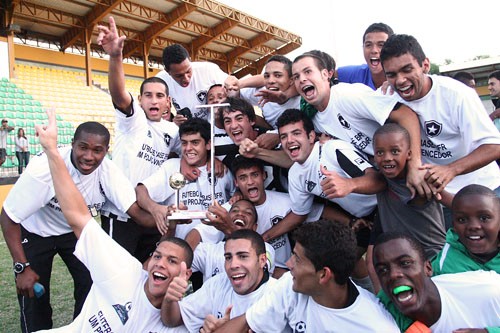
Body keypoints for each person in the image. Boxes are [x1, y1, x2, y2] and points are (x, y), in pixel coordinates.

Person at [31, 110, 190, 332]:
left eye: (172, 261)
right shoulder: (124, 271)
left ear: (187, 275)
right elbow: (78, 217)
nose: (160, 263)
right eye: (157, 256)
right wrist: (52, 152)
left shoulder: (176, 326)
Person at [0, 120, 154, 333]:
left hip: (72, 233)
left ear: (106, 151)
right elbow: (8, 216)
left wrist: (167, 215)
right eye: (83, 147)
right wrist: (21, 267)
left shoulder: (108, 172)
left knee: (92, 282)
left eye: (97, 150)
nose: (89, 156)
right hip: (35, 231)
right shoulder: (43, 169)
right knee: (33, 298)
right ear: (72, 144)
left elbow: (136, 213)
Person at [380, 34, 500, 227]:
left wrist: (451, 169)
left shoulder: (457, 95)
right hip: (438, 199)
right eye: (392, 74)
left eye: (407, 69)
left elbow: (494, 146)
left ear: (425, 65)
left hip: (483, 191)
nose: (400, 80)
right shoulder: (386, 100)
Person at [216, 220, 400, 332]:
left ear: (323, 275)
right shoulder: (291, 285)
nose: (288, 265)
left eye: (297, 259)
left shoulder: (376, 327)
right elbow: (247, 321)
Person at [97, 17, 181, 262]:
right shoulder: (132, 120)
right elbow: (119, 93)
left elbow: (187, 156)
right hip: (121, 216)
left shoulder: (172, 132)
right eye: (148, 96)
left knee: (147, 277)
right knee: (116, 278)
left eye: (159, 96)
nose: (154, 101)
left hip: (153, 217)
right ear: (140, 100)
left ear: (168, 102)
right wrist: (115, 57)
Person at [291, 52, 429, 199]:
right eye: (296, 77)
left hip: (419, 164)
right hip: (386, 176)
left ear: (325, 74)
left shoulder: (347, 96)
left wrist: (415, 164)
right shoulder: (315, 119)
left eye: (308, 71)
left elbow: (406, 115)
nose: (302, 79)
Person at [366, 123, 447, 292]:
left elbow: (452, 201)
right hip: (403, 261)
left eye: (395, 151)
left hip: (433, 258)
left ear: (409, 154)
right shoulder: (381, 178)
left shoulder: (421, 179)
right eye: (380, 152)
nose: (387, 157)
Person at [373, 232, 500, 332]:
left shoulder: (487, 289)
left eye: (405, 263)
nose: (394, 274)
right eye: (383, 270)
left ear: (427, 268)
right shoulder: (381, 313)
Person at [136, 117, 235, 241]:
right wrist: (157, 209)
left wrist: (238, 194)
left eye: (195, 142)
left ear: (208, 144)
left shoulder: (221, 170)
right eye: (184, 143)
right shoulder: (172, 166)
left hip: (216, 250)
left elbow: (235, 197)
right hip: (180, 248)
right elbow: (140, 191)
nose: (188, 148)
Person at [161, 229, 276, 333]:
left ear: (262, 261)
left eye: (243, 256)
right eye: (228, 258)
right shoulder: (218, 283)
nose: (233, 265)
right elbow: (173, 320)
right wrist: (169, 300)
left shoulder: (277, 295)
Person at [190, 199, 275, 282]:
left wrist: (231, 230)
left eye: (248, 212)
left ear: (254, 227)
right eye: (235, 210)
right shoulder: (209, 251)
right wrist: (176, 223)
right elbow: (180, 261)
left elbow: (261, 272)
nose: (240, 214)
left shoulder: (265, 248)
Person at [432, 184, 500, 275]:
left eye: (484, 218)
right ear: (454, 226)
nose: (473, 226)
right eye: (462, 220)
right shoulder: (443, 264)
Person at [156, 43, 228, 123]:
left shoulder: (208, 70)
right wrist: (174, 123)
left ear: (189, 60)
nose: (186, 79)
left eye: (188, 71)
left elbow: (234, 87)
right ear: (167, 71)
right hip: (189, 129)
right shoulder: (160, 81)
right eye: (179, 76)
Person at [337, 22, 394, 90]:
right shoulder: (358, 73)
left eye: (381, 45)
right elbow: (330, 73)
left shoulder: (401, 78)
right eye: (368, 45)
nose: (374, 50)